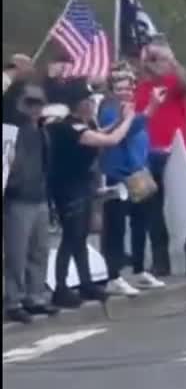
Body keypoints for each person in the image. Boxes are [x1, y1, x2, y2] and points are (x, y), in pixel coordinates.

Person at [46, 82, 135, 308]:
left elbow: (100, 132)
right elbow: (109, 140)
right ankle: (61, 287)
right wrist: (128, 121)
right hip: (68, 187)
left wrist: (118, 121)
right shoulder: (70, 128)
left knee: (81, 236)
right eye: (89, 102)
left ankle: (86, 283)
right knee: (71, 236)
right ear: (80, 104)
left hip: (81, 184)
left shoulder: (79, 125)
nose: (92, 106)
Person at [135, 43, 186, 279]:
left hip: (176, 153)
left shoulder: (174, 83)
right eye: (152, 60)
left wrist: (170, 59)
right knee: (154, 211)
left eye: (158, 60)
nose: (155, 64)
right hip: (149, 154)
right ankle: (161, 261)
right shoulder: (141, 88)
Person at [98, 69, 167, 297]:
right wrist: (151, 109)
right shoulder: (109, 113)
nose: (125, 93)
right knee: (115, 229)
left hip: (139, 174)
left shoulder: (132, 112)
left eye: (128, 88)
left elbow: (140, 140)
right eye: (119, 89)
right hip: (116, 176)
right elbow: (128, 131)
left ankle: (139, 270)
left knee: (141, 225)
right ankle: (113, 276)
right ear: (111, 90)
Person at [2, 80, 58, 323]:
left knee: (39, 250)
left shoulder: (42, 130)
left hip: (39, 197)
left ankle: (35, 297)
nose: (35, 108)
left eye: (39, 103)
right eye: (30, 102)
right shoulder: (11, 131)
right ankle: (14, 300)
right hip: (17, 199)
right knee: (17, 253)